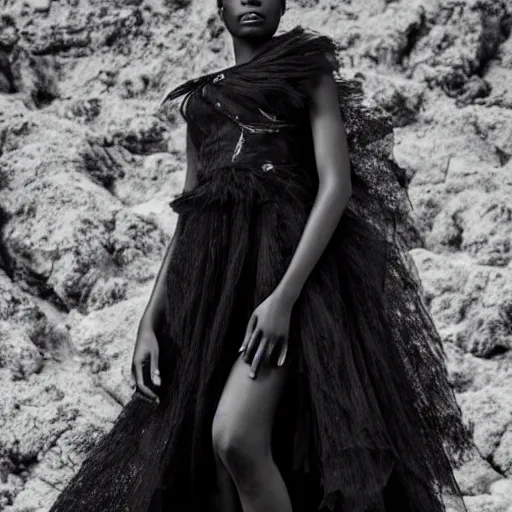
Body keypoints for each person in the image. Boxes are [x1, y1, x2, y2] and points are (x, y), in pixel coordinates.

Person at [48, 1, 475, 511]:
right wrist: (150, 320)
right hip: (216, 291)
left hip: (297, 281)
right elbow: (190, 216)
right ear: (220, 7)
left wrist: (284, 298)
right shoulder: (202, 103)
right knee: (208, 463)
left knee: (235, 437)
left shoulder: (306, 68)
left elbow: (335, 186)